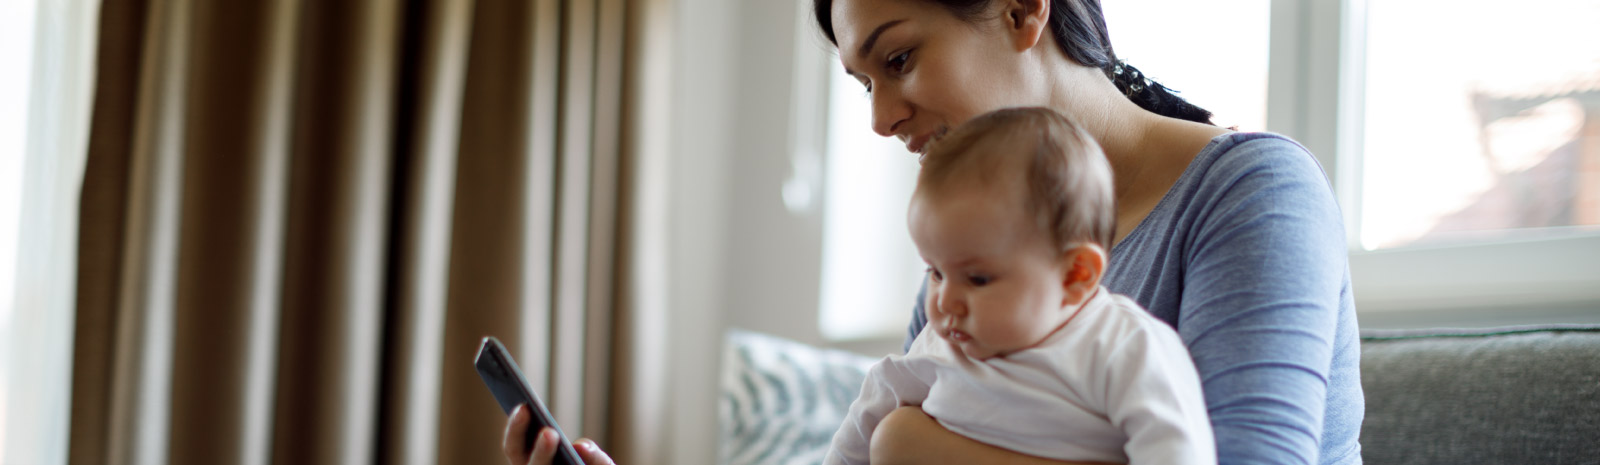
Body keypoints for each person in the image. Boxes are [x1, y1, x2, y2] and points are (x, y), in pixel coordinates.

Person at [506, 0, 1363, 463]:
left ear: (1025, 11)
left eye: (900, 59)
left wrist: (917, 448)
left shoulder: (1250, 193)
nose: (881, 118)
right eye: (861, 81)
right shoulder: (971, 267)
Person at [824, 107, 1215, 465]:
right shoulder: (942, 342)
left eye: (977, 278)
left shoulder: (1124, 346)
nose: (946, 301)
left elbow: (1174, 446)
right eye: (936, 273)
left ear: (1075, 275)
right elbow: (870, 409)